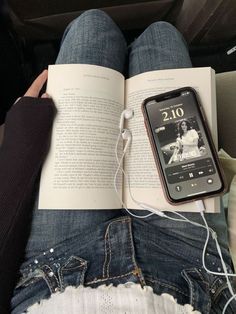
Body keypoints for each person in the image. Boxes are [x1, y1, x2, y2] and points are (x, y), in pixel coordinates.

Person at [0, 9, 235, 314]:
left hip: (52, 271)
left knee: (93, 24)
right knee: (160, 35)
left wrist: (20, 144)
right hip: (196, 270)